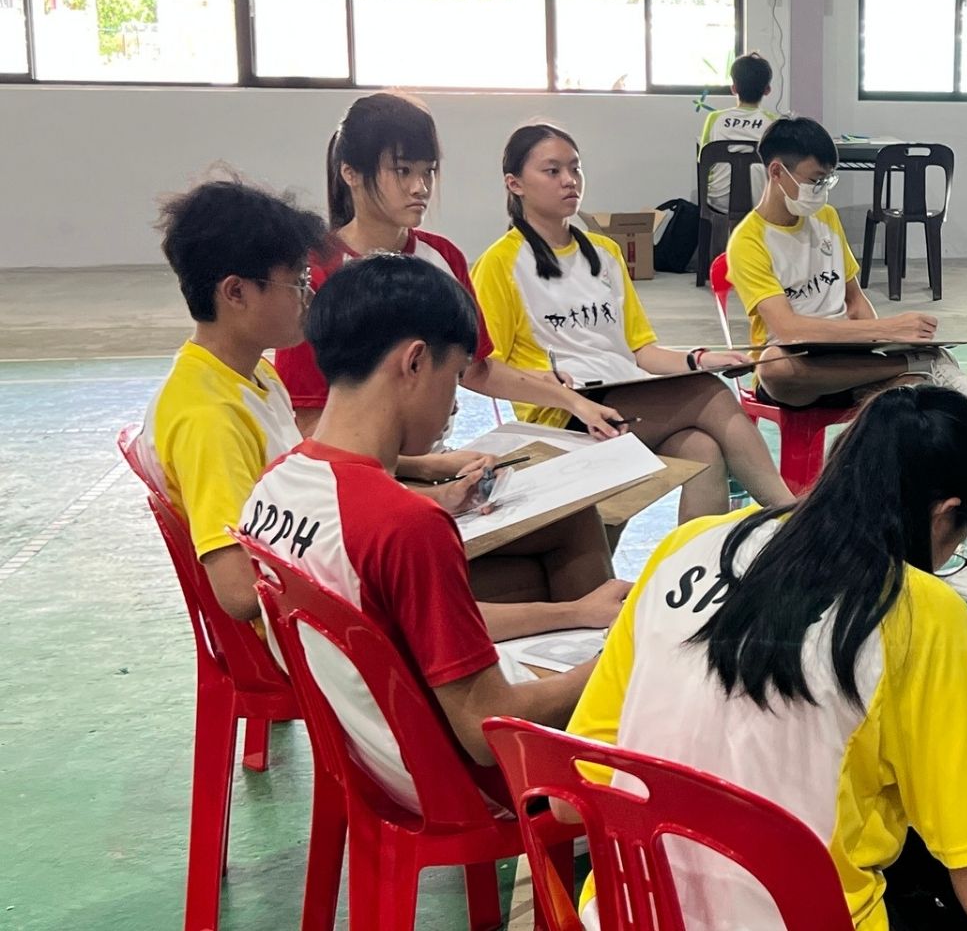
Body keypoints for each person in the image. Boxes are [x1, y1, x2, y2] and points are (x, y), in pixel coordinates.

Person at [567, 385, 967, 931]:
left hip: (623, 912)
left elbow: (571, 801)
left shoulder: (685, 545)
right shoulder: (918, 610)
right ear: (945, 514)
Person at [241, 255, 619, 811]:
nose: (455, 402)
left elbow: (411, 625)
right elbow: (486, 730)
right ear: (415, 362)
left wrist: (574, 611)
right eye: (456, 375)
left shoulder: (275, 485)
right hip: (457, 784)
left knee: (588, 649)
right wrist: (624, 660)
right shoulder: (403, 523)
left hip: (371, 761)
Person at [274, 91, 627, 605]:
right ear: (350, 173)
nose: (420, 188)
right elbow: (308, 426)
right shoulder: (319, 273)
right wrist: (423, 472)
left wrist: (575, 402)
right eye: (402, 171)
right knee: (556, 568)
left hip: (435, 467)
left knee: (576, 518)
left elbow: (477, 370)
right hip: (368, 487)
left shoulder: (441, 257)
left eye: (428, 172)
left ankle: (587, 631)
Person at [473, 122, 795, 522]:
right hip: (564, 415)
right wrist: (554, 388)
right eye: (552, 171)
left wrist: (700, 359)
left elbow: (641, 351)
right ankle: (792, 516)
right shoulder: (499, 264)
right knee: (710, 395)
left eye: (575, 168)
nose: (570, 180)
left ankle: (695, 558)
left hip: (627, 395)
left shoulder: (605, 252)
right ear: (515, 184)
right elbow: (486, 368)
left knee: (702, 449)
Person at [135, 177, 328, 623]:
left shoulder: (252, 372)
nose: (309, 296)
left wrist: (421, 472)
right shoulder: (210, 418)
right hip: (298, 634)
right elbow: (240, 593)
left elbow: (301, 467)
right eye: (298, 281)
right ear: (236, 292)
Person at [724, 116, 967, 413]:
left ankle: (919, 369)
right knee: (775, 367)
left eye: (827, 180)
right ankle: (918, 362)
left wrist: (879, 340)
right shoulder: (748, 241)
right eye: (815, 180)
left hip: (846, 358)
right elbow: (788, 329)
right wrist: (888, 328)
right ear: (777, 172)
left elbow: (854, 299)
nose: (821, 189)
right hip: (798, 373)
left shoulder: (825, 217)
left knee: (912, 395)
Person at [699, 52, 779, 214]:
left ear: (733, 88)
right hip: (762, 202)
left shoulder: (714, 119)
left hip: (718, 203)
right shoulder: (774, 123)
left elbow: (703, 159)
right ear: (767, 90)